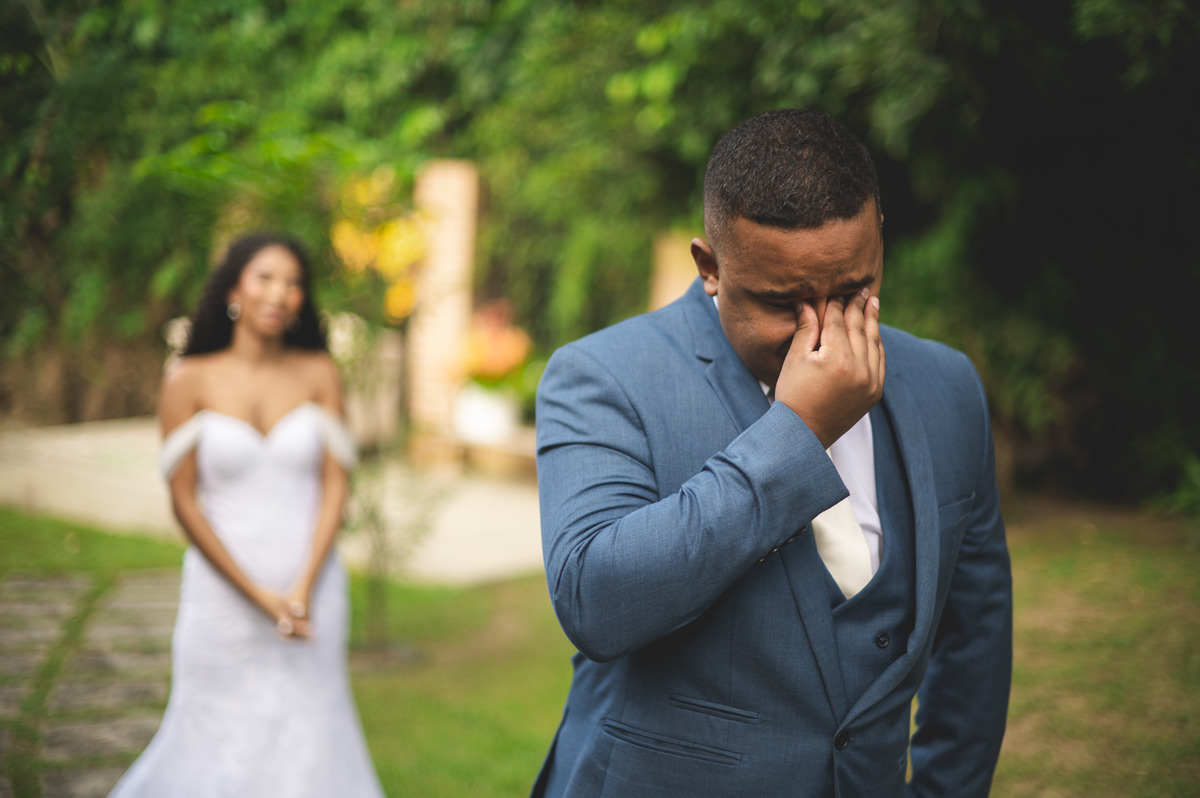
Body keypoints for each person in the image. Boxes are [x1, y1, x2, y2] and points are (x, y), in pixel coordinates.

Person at [531, 109, 1012, 797]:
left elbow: (976, 639)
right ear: (710, 268)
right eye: (783, 302)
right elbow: (596, 601)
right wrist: (797, 431)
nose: (821, 331)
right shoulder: (603, 376)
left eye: (853, 291)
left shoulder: (947, 386)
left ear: (878, 241)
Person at [109, 233, 385, 797]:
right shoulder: (186, 379)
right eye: (265, 277)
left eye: (293, 282)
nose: (280, 293)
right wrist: (257, 594)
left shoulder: (319, 373)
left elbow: (337, 482)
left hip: (314, 591)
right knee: (211, 735)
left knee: (312, 733)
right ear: (235, 286)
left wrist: (304, 583)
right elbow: (184, 500)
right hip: (222, 598)